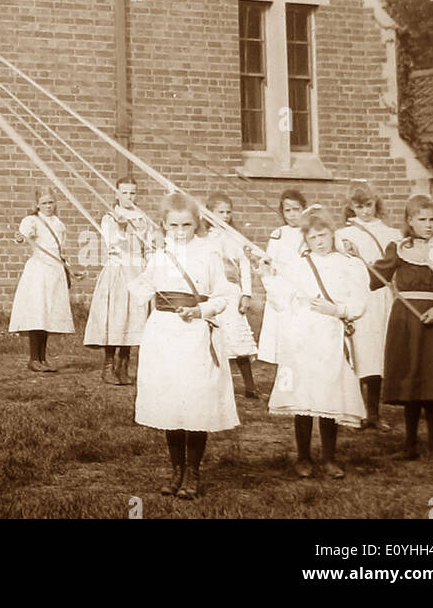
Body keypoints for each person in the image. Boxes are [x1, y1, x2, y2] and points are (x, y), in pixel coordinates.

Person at [128, 191, 238, 500]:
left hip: (196, 334)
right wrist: (127, 268)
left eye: (186, 226)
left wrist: (200, 311)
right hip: (163, 334)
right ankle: (175, 469)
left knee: (195, 401)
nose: (179, 232)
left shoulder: (208, 254)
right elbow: (143, 289)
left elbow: (223, 296)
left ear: (196, 225)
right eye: (173, 226)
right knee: (171, 401)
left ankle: (193, 471)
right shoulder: (159, 255)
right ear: (163, 225)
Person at [344, 194, 433, 461]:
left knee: (432, 379)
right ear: (410, 221)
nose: (428, 224)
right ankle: (410, 443)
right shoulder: (398, 248)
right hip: (406, 321)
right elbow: (376, 278)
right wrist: (356, 258)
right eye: (421, 219)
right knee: (411, 378)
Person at [262, 206, 367, 478]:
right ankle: (304, 456)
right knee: (304, 397)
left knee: (330, 394)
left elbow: (358, 302)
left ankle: (330, 457)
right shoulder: (297, 266)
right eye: (313, 238)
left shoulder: (349, 264)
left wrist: (337, 310)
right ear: (305, 240)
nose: (319, 241)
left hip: (331, 335)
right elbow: (280, 298)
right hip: (302, 336)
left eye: (323, 235)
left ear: (333, 234)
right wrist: (267, 275)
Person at [335, 181, 403, 431]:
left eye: (369, 205)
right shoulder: (344, 235)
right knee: (359, 352)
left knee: (377, 353)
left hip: (382, 298)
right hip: (358, 298)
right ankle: (355, 410)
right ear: (351, 207)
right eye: (359, 206)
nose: (364, 211)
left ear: (377, 203)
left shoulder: (391, 233)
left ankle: (373, 412)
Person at [84, 178, 152, 385]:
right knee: (116, 316)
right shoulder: (110, 217)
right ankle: (108, 367)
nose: (129, 197)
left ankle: (124, 366)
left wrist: (150, 266)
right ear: (117, 194)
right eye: (124, 192)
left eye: (132, 193)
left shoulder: (143, 218)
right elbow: (111, 242)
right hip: (118, 270)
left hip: (137, 271)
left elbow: (148, 246)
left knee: (134, 317)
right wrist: (121, 229)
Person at [198, 193, 260, 398]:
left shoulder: (235, 236)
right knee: (215, 338)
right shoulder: (202, 237)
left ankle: (250, 386)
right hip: (212, 292)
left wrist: (246, 294)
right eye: (220, 212)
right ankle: (216, 384)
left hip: (232, 292)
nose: (224, 216)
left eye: (227, 212)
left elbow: (243, 264)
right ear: (209, 213)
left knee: (238, 337)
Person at [9, 188, 76, 373]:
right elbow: (23, 236)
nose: (48, 206)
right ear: (38, 204)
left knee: (48, 314)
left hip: (55, 272)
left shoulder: (59, 224)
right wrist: (20, 238)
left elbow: (60, 251)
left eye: (51, 202)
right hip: (39, 271)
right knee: (37, 313)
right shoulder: (33, 221)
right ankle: (33, 358)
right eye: (44, 203)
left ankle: (43, 358)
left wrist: (68, 269)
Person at [256, 188, 307, 366]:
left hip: (303, 287)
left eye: (296, 209)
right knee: (283, 336)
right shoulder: (278, 234)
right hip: (283, 289)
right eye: (288, 210)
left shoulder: (309, 232)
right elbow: (270, 262)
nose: (292, 215)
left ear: (303, 209)